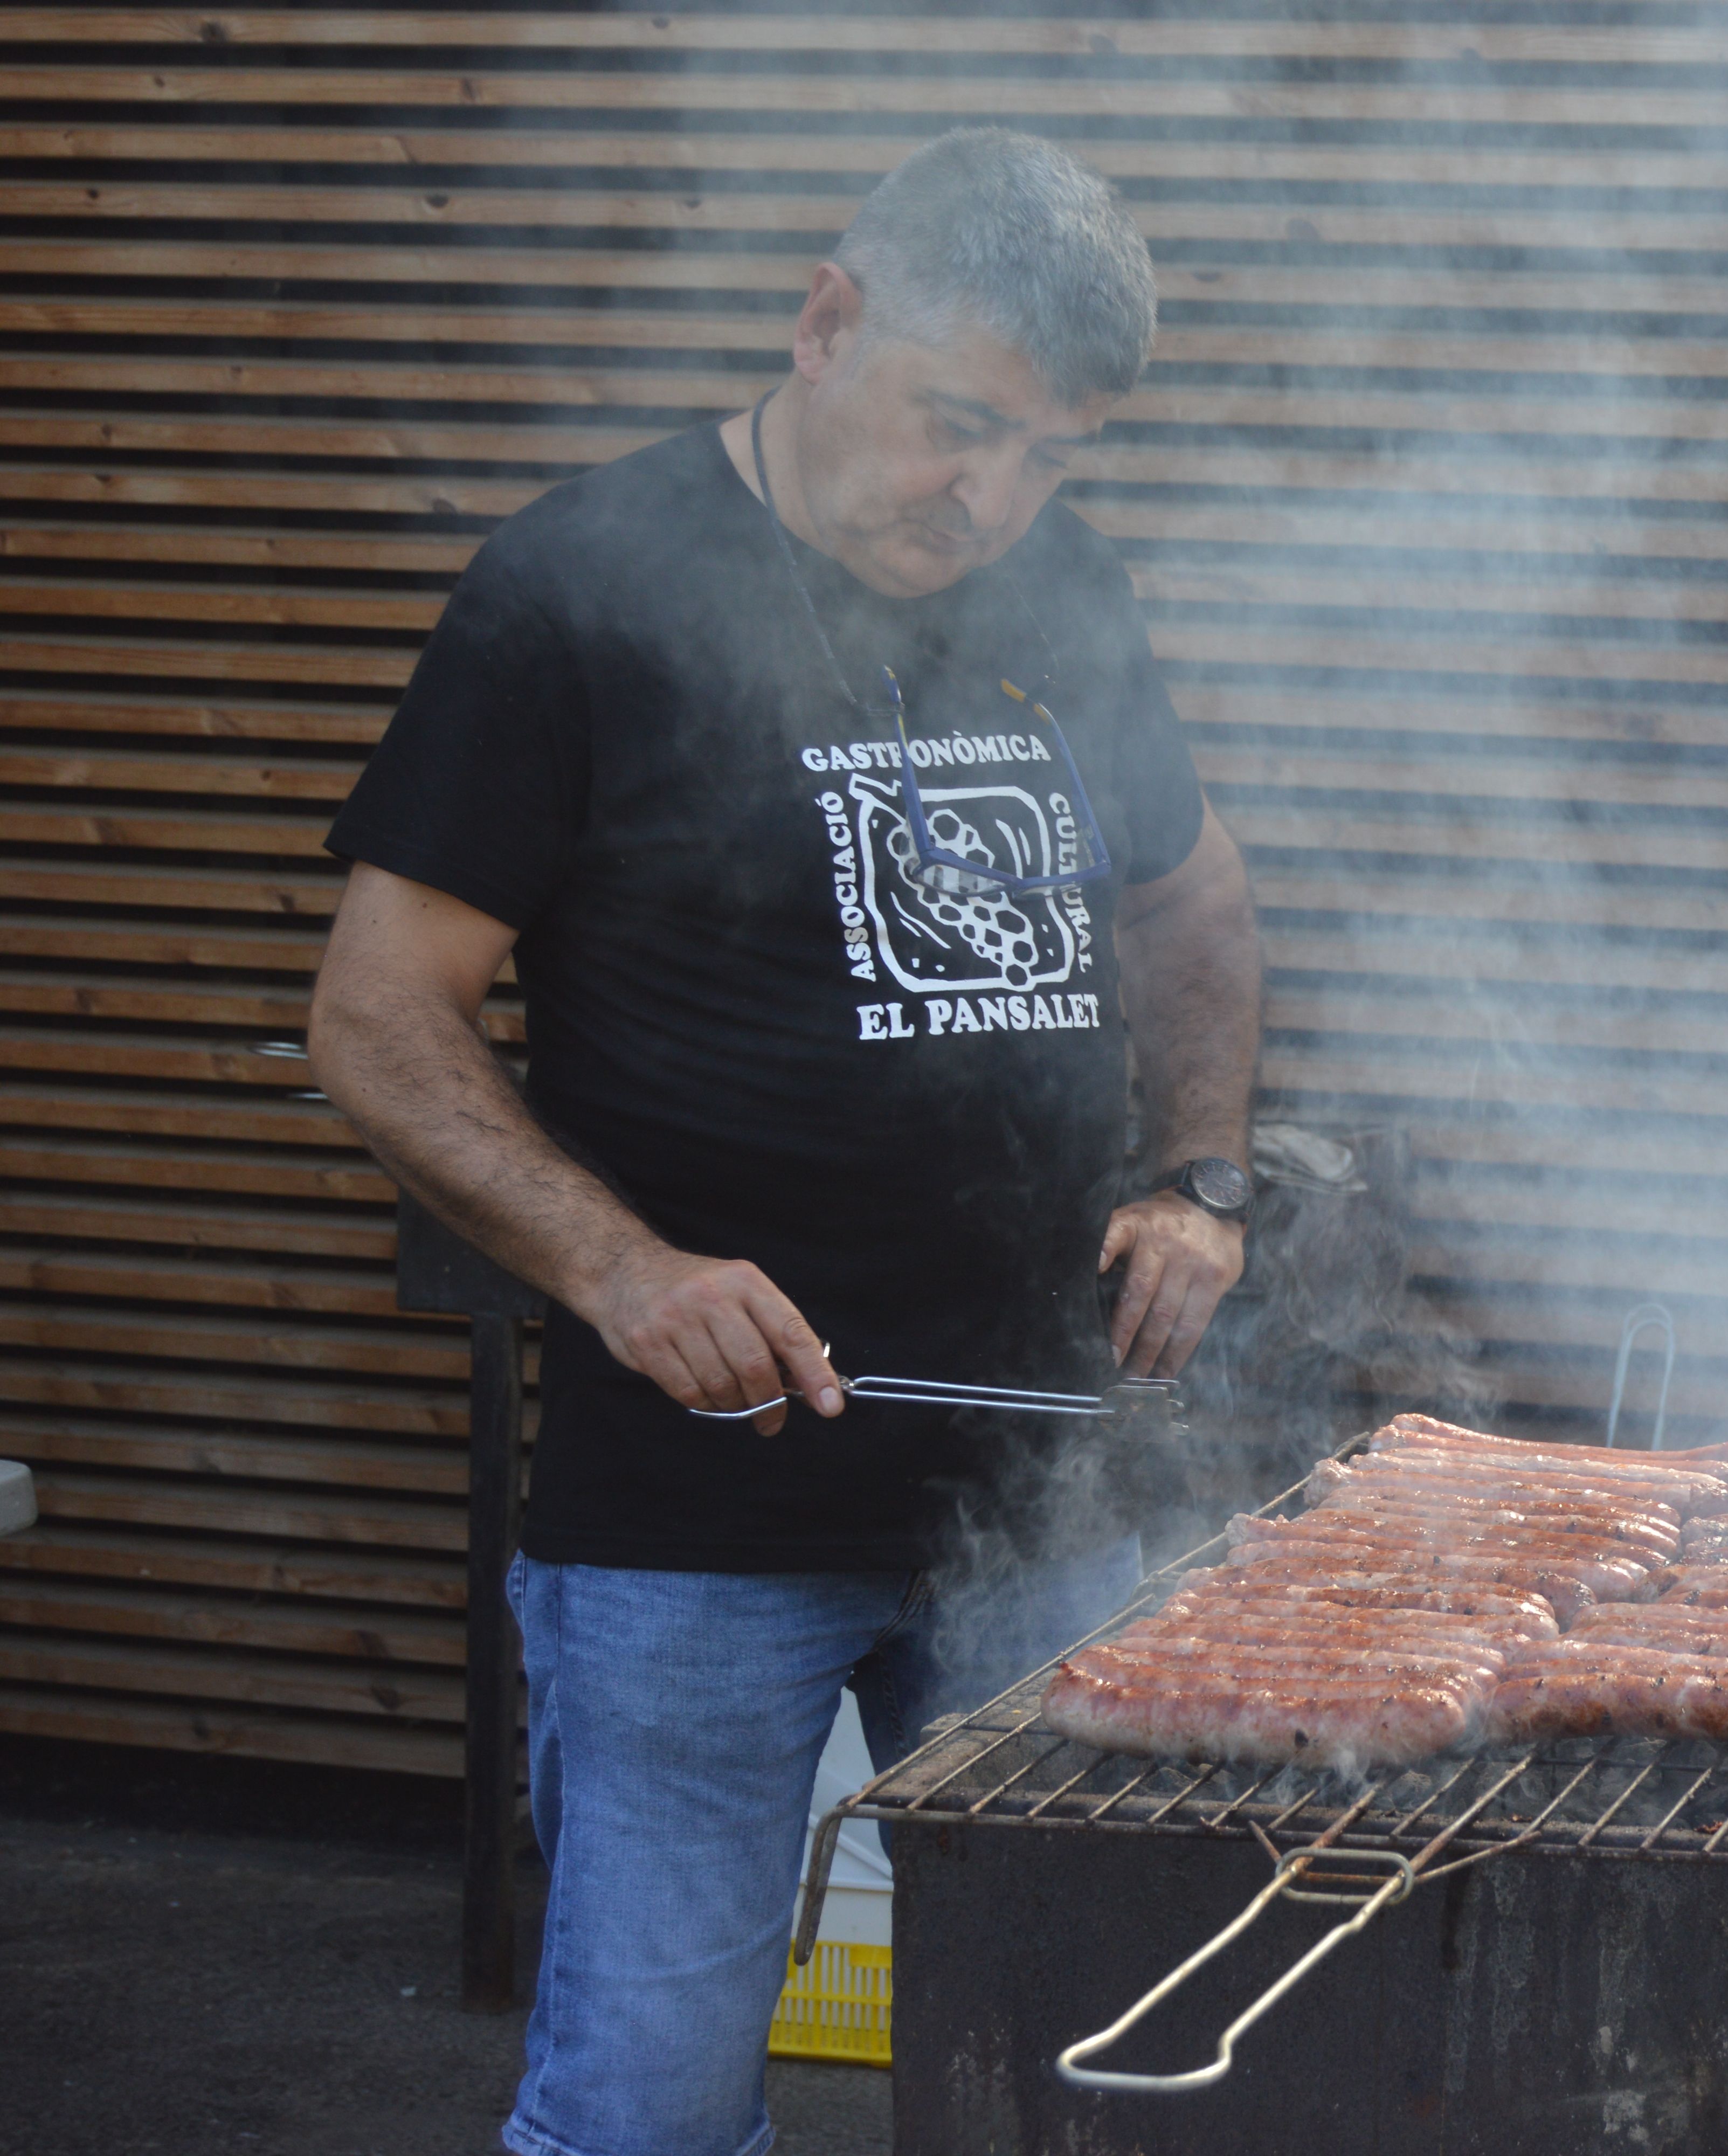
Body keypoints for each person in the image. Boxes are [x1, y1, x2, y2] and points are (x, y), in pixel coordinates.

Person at [306, 130, 1263, 2156]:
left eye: (1051, 458)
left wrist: (1199, 1178)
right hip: (691, 1530)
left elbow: (1188, 899)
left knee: (1079, 2081)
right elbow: (380, 1023)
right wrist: (621, 1270)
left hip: (1043, 1497)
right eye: (963, 426)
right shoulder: (576, 590)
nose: (992, 498)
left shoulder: (1056, 584)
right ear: (828, 324)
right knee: (646, 2107)